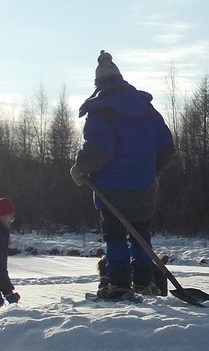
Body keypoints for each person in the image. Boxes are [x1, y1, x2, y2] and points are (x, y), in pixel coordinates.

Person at [69, 50, 176, 299]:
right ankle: (143, 282)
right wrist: (152, 173)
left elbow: (100, 150)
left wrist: (79, 168)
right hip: (144, 189)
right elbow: (167, 149)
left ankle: (118, 284)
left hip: (111, 190)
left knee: (115, 236)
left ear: (98, 85)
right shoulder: (148, 111)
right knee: (141, 235)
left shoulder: (101, 112)